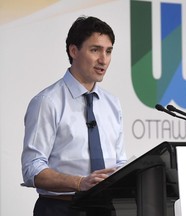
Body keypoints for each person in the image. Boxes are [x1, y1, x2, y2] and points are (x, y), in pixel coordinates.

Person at [21, 16, 127, 216]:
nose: (103, 59)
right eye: (95, 50)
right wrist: (80, 182)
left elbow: (118, 162)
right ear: (74, 51)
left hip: (105, 209)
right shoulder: (47, 102)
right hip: (59, 208)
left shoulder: (112, 103)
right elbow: (32, 169)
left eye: (109, 51)